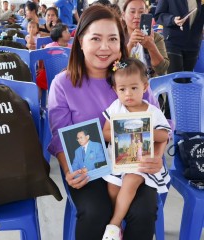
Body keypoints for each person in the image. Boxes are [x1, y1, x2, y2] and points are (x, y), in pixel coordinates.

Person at [48, 5, 165, 240]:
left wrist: (157, 157)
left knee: (143, 211)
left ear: (121, 42)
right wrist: (69, 169)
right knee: (94, 211)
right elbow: (61, 137)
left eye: (112, 39)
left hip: (132, 165)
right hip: (89, 167)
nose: (105, 47)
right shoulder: (63, 83)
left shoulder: (133, 79)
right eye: (96, 39)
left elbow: (156, 123)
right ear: (81, 41)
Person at [101, 58, 171, 240]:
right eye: (122, 89)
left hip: (140, 162)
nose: (128, 94)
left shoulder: (152, 111)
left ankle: (114, 224)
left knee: (131, 180)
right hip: (118, 159)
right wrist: (120, 131)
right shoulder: (116, 107)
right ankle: (120, 223)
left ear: (145, 87)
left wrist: (146, 132)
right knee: (112, 187)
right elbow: (105, 133)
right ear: (115, 90)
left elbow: (165, 135)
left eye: (134, 88)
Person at [154, 0, 204, 75]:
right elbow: (159, 16)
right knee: (177, 79)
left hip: (193, 43)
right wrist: (173, 19)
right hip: (173, 42)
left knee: (188, 80)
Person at [122, 0, 169, 78]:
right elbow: (115, 68)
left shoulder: (156, 37)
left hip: (150, 86)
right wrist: (130, 45)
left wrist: (151, 46)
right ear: (123, 15)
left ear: (147, 14)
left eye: (141, 12)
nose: (137, 16)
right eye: (132, 12)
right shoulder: (117, 38)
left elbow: (161, 70)